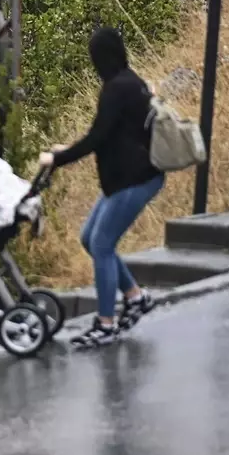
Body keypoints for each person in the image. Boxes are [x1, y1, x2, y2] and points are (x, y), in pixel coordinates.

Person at [38, 27, 162, 349]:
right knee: (89, 239)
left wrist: (57, 158)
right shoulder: (128, 81)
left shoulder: (117, 88)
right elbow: (111, 135)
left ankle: (105, 324)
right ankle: (135, 297)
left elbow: (97, 138)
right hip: (126, 177)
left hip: (135, 179)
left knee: (102, 245)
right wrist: (66, 151)